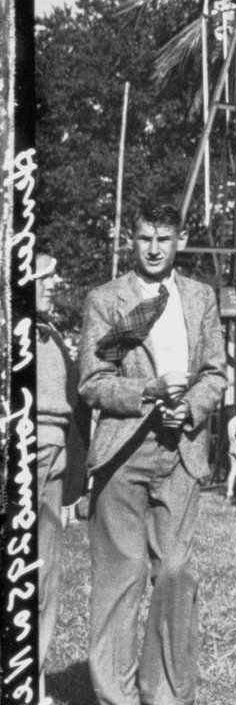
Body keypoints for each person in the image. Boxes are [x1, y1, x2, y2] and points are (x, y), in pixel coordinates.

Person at [76, 201, 227, 705]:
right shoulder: (105, 299)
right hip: (123, 451)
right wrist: (148, 391)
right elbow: (93, 382)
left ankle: (166, 696)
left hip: (182, 447)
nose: (155, 248)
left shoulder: (200, 297)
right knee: (121, 575)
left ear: (180, 241)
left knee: (177, 571)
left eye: (165, 239)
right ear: (131, 240)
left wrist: (195, 405)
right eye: (145, 239)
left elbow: (216, 372)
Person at [32, 253, 79, 668]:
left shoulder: (49, 332)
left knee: (45, 570)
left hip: (55, 457)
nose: (52, 285)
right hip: (21, 451)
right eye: (42, 277)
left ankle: (32, 671)